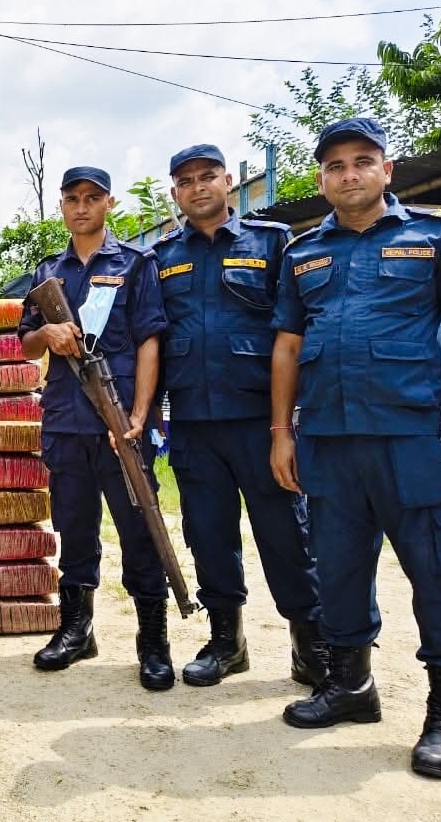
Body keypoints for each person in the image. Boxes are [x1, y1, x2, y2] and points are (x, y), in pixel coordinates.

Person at [270, 117, 441, 779]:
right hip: (329, 442)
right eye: (335, 165)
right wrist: (282, 433)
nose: (349, 174)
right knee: (335, 569)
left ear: (387, 170)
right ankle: (350, 686)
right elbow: (286, 347)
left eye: (363, 161)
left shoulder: (438, 234)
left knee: (435, 572)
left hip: (411, 439)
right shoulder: (302, 253)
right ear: (321, 178)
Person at [152, 144, 326, 689]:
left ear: (228, 181)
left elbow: (297, 331)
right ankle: (227, 641)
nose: (198, 187)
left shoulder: (272, 243)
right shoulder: (159, 258)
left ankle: (309, 642)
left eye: (208, 176)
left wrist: (291, 420)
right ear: (175, 193)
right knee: (207, 533)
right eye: (186, 181)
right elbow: (151, 340)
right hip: (194, 422)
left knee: (285, 533)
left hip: (259, 417)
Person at [18, 166, 175, 690]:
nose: (81, 207)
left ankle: (152, 642)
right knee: (75, 528)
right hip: (65, 420)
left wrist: (138, 414)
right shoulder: (48, 272)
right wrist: (49, 331)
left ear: (108, 203)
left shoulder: (135, 264)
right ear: (62, 207)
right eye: (71, 199)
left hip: (119, 422)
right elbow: (25, 343)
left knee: (139, 530)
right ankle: (76, 630)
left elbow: (151, 339)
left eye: (91, 198)